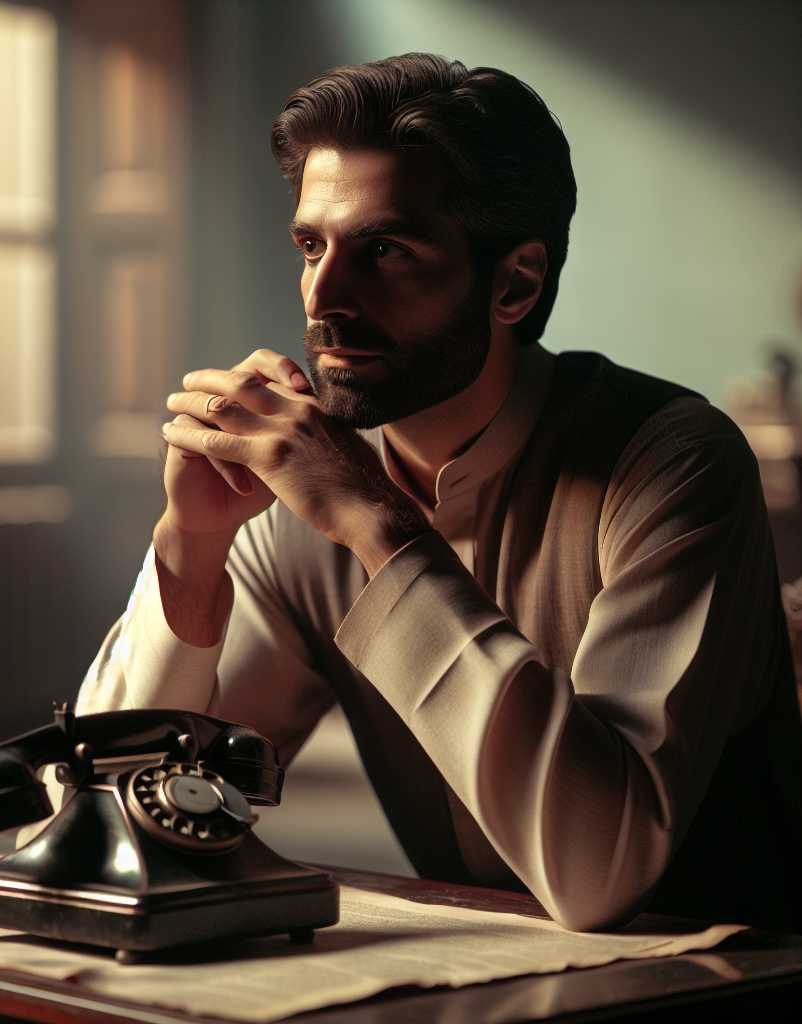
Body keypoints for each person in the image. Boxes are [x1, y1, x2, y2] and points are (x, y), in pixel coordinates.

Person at [75, 54, 801, 933]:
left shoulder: (674, 463)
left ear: (514, 283)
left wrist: (380, 528)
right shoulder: (295, 498)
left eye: (384, 250)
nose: (323, 297)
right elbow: (103, 830)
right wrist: (192, 546)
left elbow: (600, 872)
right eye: (312, 245)